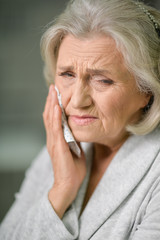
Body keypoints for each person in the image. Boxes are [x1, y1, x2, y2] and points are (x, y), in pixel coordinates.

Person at [1, 0, 160, 239]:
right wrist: (61, 189)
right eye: (67, 74)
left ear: (148, 89)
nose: (77, 101)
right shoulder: (55, 154)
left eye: (102, 80)